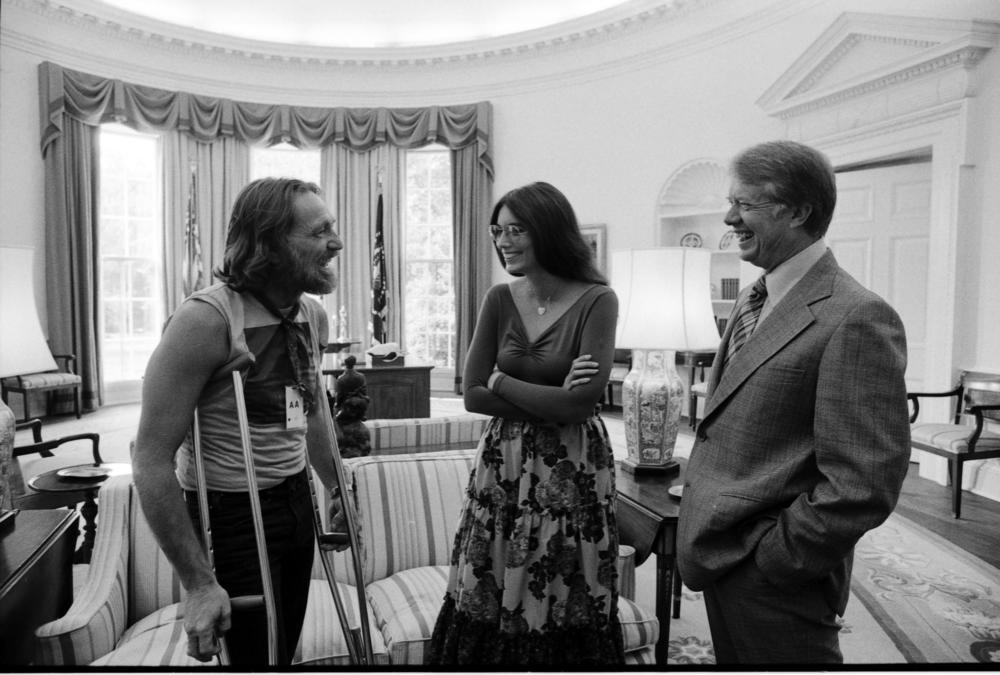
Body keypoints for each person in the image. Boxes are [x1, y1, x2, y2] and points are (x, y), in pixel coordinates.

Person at [676, 140, 911, 664]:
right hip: (720, 554)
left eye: (746, 204)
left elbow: (863, 483)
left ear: (799, 210)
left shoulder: (858, 317)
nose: (729, 216)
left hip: (776, 577)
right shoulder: (754, 294)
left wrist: (776, 559)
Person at [132, 177, 344, 666]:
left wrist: (335, 485)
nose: (334, 243)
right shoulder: (204, 321)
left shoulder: (311, 315)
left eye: (332, 227)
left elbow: (309, 409)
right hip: (232, 512)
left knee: (281, 647)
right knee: (252, 655)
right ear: (269, 242)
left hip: (295, 500)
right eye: (318, 232)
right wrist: (199, 583)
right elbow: (149, 460)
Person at [425, 181, 623, 666]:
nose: (503, 241)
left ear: (549, 231)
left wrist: (502, 380)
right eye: (498, 230)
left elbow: (580, 408)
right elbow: (471, 394)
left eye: (516, 230)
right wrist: (554, 397)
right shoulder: (499, 298)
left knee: (564, 567)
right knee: (493, 566)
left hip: (572, 467)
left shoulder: (599, 300)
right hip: (503, 462)